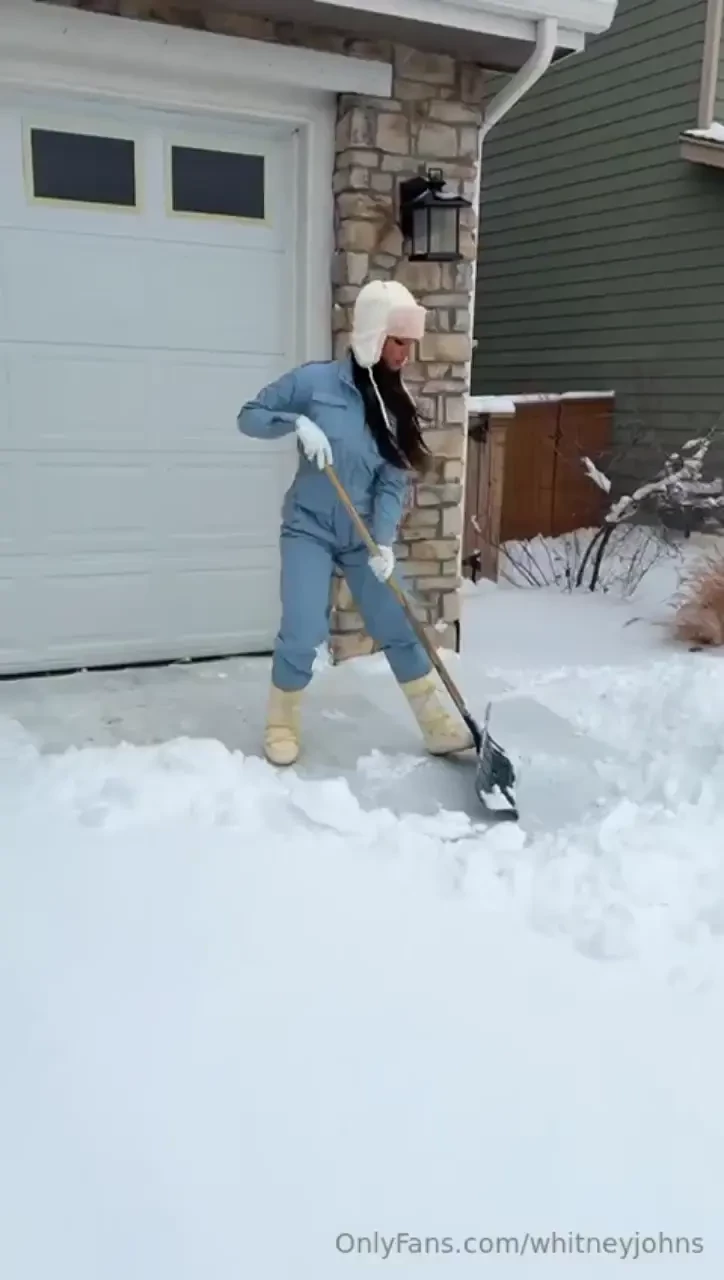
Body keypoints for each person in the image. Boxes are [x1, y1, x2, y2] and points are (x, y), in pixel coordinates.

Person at [236, 278, 474, 766]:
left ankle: (437, 724)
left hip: (363, 536)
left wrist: (383, 544)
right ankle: (281, 722)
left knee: (399, 621)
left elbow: (392, 480)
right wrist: (294, 423)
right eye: (399, 341)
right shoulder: (314, 383)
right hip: (310, 530)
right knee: (303, 630)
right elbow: (250, 415)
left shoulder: (394, 406)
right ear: (371, 334)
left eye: (411, 343)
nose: (407, 353)